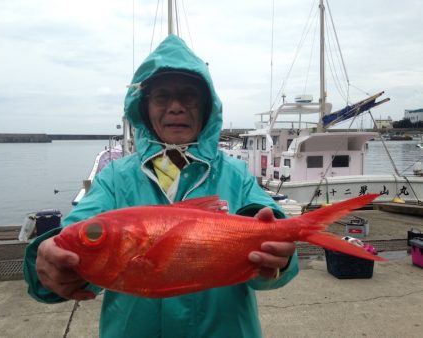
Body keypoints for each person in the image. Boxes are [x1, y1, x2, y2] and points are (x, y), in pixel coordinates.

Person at [23, 34, 299, 338]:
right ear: (144, 107)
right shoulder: (116, 178)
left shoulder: (236, 174)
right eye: (162, 96)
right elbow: (77, 233)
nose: (176, 107)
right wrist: (48, 259)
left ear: (207, 107)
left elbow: (270, 232)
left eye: (189, 96)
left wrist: (280, 258)